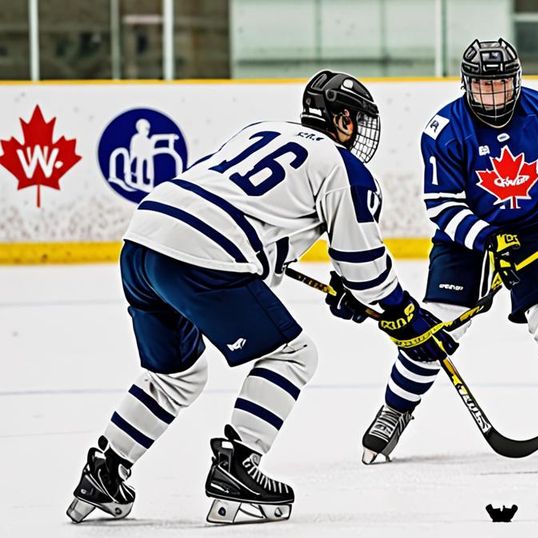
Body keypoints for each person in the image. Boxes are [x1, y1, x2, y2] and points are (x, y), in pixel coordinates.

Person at [65, 70, 456, 524]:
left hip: (142, 240)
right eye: (359, 121)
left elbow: (254, 236)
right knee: (294, 354)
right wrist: (405, 316)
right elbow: (364, 265)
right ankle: (237, 464)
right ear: (344, 118)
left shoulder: (259, 130)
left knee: (176, 376)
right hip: (202, 253)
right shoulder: (343, 167)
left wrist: (351, 292)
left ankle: (105, 470)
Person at [359, 38, 538, 466]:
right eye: (482, 86)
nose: (493, 96)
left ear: (516, 80)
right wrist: (489, 239)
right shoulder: (444, 129)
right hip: (466, 237)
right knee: (434, 326)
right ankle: (396, 409)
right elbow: (441, 205)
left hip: (533, 230)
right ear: (466, 84)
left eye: (500, 84)